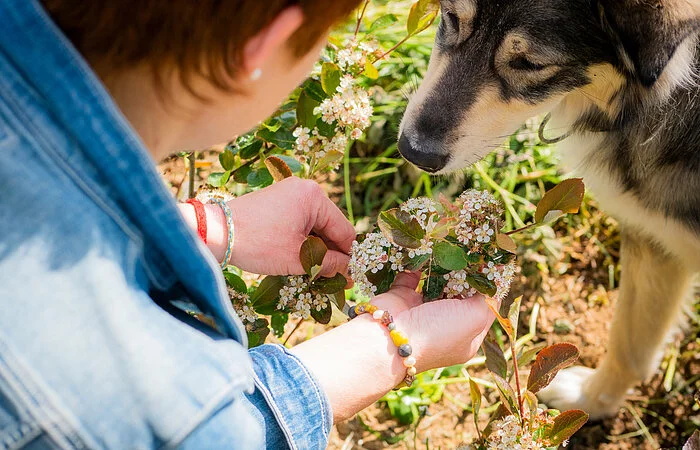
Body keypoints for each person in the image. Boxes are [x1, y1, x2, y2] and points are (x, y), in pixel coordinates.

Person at [0, 1, 496, 448]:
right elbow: (201, 435)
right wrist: (386, 349)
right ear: (262, 48)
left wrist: (209, 226)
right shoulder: (109, 407)